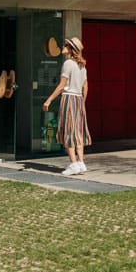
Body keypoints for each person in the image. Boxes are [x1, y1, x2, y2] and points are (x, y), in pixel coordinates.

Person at [43, 36, 91, 176]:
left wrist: (49, 100)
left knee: (68, 131)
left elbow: (62, 86)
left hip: (69, 98)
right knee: (78, 132)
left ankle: (73, 164)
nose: (63, 46)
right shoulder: (82, 65)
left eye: (66, 45)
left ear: (70, 49)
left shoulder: (68, 64)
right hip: (79, 100)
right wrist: (82, 101)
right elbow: (85, 86)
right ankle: (81, 163)